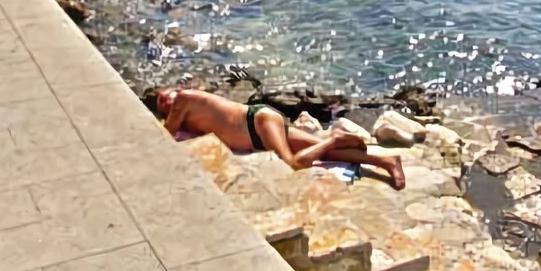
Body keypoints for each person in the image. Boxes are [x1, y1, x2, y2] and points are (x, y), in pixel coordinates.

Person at [155, 88, 406, 189]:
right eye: (160, 103)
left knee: (292, 163)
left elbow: (165, 133)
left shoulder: (185, 98)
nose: (165, 101)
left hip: (258, 121)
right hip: (256, 135)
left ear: (176, 90)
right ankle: (387, 161)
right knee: (324, 153)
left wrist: (166, 117)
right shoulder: (187, 117)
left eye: (164, 95)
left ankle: (333, 139)